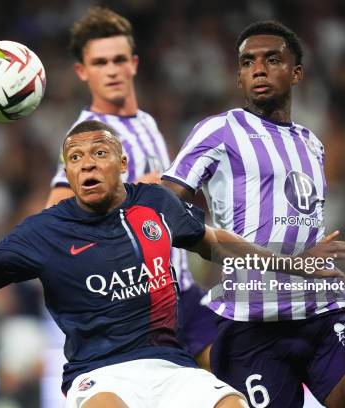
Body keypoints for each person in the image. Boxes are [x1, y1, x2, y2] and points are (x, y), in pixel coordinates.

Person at [0, 120, 345, 408]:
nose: (87, 163)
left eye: (99, 153)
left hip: (172, 366)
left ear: (122, 163)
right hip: (100, 374)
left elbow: (214, 244)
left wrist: (294, 265)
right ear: (68, 174)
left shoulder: (153, 202)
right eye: (75, 158)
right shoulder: (45, 231)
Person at [162, 21, 345, 408]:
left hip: (321, 317)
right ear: (239, 77)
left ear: (296, 73)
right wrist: (210, 243)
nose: (258, 68)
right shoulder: (219, 131)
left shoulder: (312, 144)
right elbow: (164, 206)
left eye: (272, 59)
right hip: (251, 327)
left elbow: (309, 250)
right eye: (247, 62)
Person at [45, 7, 216, 369]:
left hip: (183, 291)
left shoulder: (146, 123)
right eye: (100, 62)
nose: (111, 70)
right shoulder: (87, 136)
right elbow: (55, 215)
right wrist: (134, 191)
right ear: (82, 71)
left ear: (134, 63)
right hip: (141, 307)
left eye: (119, 59)